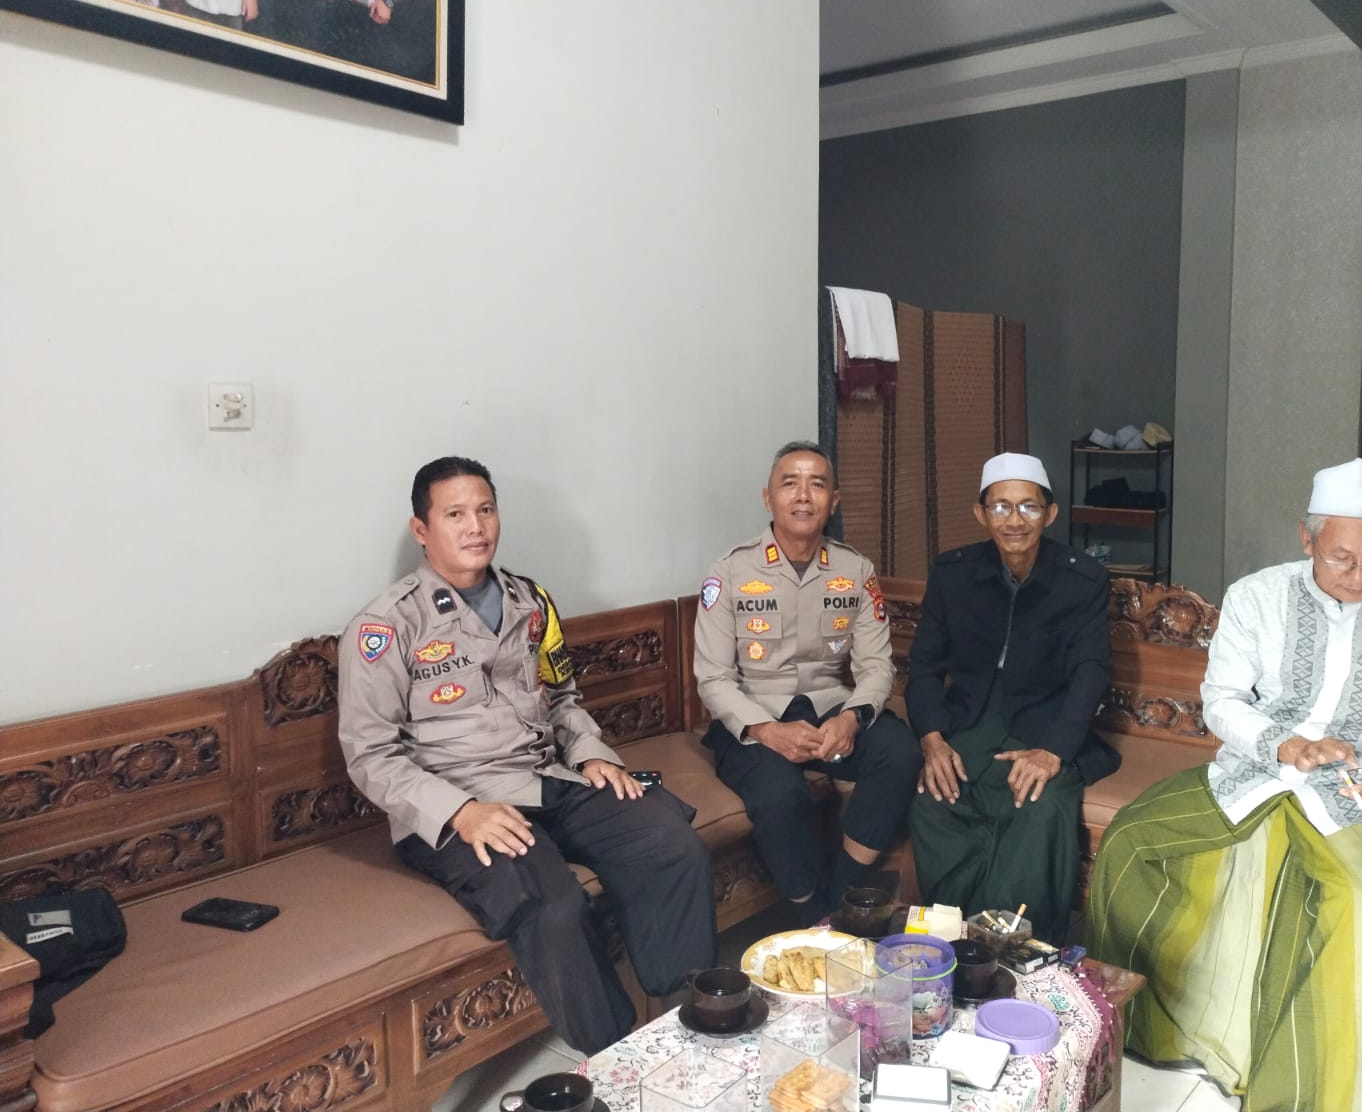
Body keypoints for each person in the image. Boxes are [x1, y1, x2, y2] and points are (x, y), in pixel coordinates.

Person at [1087, 458, 1362, 1112]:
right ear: (1306, 540)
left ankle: (1301, 1092)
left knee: (1342, 898)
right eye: (1341, 558)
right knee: (1133, 839)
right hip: (1256, 773)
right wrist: (1287, 745)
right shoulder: (1258, 596)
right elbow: (1223, 700)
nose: (1359, 575)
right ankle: (1143, 1023)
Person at [338, 456, 715, 1055]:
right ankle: (617, 1059)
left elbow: (562, 696)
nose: (475, 526)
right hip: (457, 806)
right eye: (455, 514)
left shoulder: (529, 600)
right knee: (552, 903)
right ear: (421, 530)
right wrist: (461, 812)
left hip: (545, 778)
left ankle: (685, 1020)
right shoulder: (386, 626)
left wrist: (592, 754)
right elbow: (370, 755)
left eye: (485, 510)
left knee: (668, 841)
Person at [694, 440, 921, 922]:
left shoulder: (855, 570)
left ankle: (841, 896)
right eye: (789, 483)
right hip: (754, 715)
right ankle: (809, 912)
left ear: (833, 501)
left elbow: (877, 666)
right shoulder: (730, 571)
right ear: (768, 498)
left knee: (900, 753)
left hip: (830, 708)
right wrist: (767, 731)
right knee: (780, 794)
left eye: (816, 485)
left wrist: (853, 718)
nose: (803, 495)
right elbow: (713, 677)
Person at [905, 452, 1114, 944]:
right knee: (936, 798)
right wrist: (932, 739)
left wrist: (1054, 751)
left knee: (1039, 803)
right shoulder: (953, 572)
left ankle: (1019, 951)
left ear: (1050, 513)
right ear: (981, 514)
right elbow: (925, 664)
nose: (1014, 520)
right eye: (1000, 507)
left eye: (1028, 507)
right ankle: (951, 942)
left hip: (1048, 720)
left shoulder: (1081, 578)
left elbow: (1091, 672)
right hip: (970, 716)